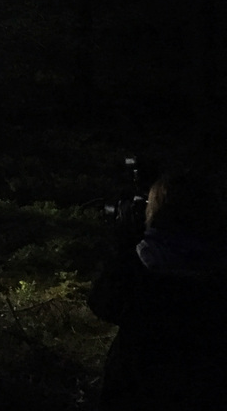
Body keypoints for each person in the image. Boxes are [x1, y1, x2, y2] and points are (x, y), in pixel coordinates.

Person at [88, 169, 227, 410]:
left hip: (138, 390)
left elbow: (103, 302)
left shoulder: (145, 266)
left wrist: (123, 244)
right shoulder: (215, 266)